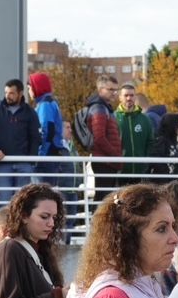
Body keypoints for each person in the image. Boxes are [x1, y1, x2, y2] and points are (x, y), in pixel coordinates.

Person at [0, 79, 41, 200]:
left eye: (11, 93)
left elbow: (35, 137)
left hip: (24, 164)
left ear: (20, 93)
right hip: (3, 163)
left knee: (21, 201)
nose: (7, 96)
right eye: (6, 92)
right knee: (3, 200)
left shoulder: (30, 112)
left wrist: (31, 161)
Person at [77, 75, 124, 205]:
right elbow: (99, 138)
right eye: (111, 89)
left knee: (105, 198)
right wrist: (116, 155)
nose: (114, 93)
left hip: (106, 160)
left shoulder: (104, 108)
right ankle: (98, 218)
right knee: (103, 199)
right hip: (105, 161)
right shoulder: (99, 108)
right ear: (100, 89)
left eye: (116, 90)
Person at [29, 72, 73, 199]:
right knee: (46, 193)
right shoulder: (50, 102)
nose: (29, 91)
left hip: (46, 155)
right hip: (51, 153)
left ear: (36, 87)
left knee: (40, 195)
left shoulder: (45, 104)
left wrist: (40, 155)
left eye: (30, 87)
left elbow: (47, 130)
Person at [116, 83, 155, 184]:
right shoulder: (114, 118)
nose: (129, 98)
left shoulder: (145, 119)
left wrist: (146, 163)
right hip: (120, 172)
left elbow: (151, 142)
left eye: (132, 95)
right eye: (126, 95)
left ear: (135, 97)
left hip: (141, 172)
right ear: (120, 97)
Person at [148, 112, 178, 178]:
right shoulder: (161, 141)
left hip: (175, 180)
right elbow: (155, 161)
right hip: (165, 182)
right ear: (172, 126)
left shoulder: (172, 141)